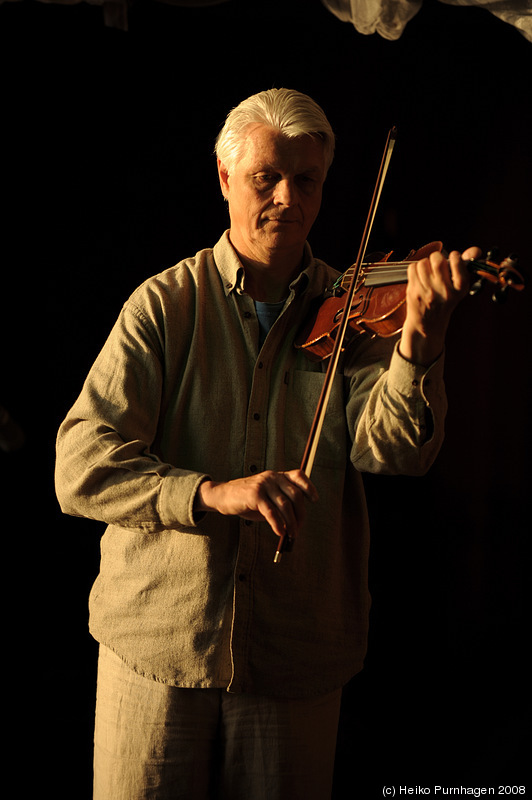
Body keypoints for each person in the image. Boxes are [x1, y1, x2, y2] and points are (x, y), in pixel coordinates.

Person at [55, 88, 479, 800]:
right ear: (225, 180)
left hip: (296, 654)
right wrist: (210, 493)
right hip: (159, 648)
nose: (287, 198)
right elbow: (80, 465)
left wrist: (420, 345)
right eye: (266, 178)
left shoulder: (353, 309)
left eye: (306, 181)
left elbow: (394, 452)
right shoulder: (164, 305)